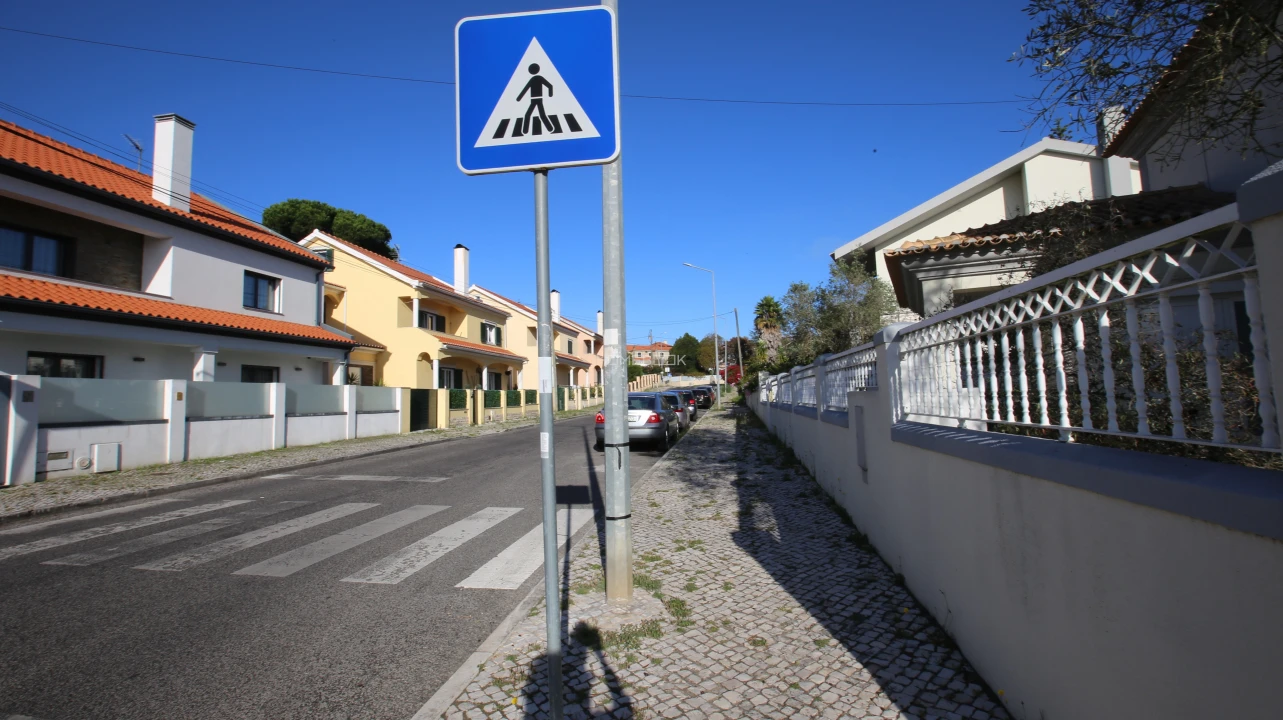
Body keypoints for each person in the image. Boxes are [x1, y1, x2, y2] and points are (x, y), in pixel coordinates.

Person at [517, 63, 554, 134]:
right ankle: (549, 129)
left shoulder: (537, 79)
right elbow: (526, 89)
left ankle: (525, 131)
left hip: (537, 99)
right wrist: (550, 94)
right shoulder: (537, 79)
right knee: (537, 114)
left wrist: (550, 95)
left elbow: (549, 86)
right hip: (534, 100)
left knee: (531, 114)